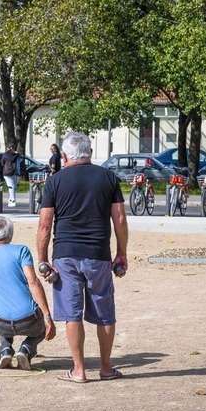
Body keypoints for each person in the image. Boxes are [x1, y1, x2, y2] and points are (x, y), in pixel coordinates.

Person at [37, 131, 128, 383]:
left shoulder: (54, 181)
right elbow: (119, 218)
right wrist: (121, 253)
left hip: (65, 254)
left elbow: (45, 225)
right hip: (98, 253)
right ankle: (106, 367)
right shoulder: (108, 178)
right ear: (89, 152)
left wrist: (42, 259)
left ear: (64, 156)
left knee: (71, 313)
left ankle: (78, 370)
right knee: (105, 312)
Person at [0, 217, 56, 370]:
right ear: (10, 236)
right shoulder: (21, 251)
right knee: (40, 330)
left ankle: (5, 349)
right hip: (28, 320)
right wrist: (47, 316)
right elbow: (33, 282)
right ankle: (26, 349)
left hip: (1, 324)